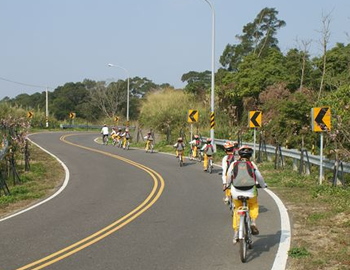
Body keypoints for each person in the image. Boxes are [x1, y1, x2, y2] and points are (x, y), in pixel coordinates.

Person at [225, 145, 267, 243]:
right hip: (250, 192)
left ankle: (236, 232)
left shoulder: (234, 164)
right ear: (250, 156)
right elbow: (259, 177)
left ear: (239, 154)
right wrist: (263, 185)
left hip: (236, 192)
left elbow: (228, 177)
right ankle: (253, 222)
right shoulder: (252, 164)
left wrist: (227, 185)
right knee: (253, 205)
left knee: (237, 208)